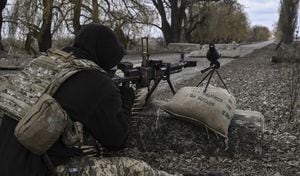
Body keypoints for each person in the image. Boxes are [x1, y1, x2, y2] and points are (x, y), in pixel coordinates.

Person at [0, 24, 174, 176]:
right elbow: (117, 141)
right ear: (107, 55)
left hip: (6, 159)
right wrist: (127, 99)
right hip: (40, 171)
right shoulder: (98, 82)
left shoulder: (42, 63)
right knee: (136, 168)